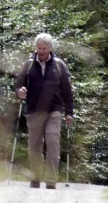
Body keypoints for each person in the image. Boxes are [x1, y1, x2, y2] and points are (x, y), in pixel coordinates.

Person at [14, 33, 74, 189]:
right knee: (34, 145)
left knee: (52, 141)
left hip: (54, 109)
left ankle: (51, 180)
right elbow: (18, 85)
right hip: (34, 110)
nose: (41, 51)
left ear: (50, 48)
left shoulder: (59, 65)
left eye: (44, 48)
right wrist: (20, 92)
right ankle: (36, 177)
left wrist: (69, 112)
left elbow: (67, 90)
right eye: (39, 48)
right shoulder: (28, 65)